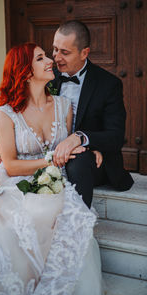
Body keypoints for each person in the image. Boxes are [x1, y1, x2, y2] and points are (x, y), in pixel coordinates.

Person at [0, 43, 103, 295]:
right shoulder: (5, 114)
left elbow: (73, 142)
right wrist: (51, 160)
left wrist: (91, 150)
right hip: (16, 180)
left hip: (56, 181)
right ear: (25, 71)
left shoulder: (64, 106)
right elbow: (10, 164)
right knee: (11, 225)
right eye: (40, 58)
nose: (50, 60)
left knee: (64, 216)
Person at [50, 20, 134, 208]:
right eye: (55, 49)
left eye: (65, 52)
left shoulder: (108, 84)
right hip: (52, 155)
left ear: (84, 53)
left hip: (91, 163)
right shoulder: (47, 78)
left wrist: (82, 139)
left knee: (78, 162)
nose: (56, 57)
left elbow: (115, 136)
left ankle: (78, 230)